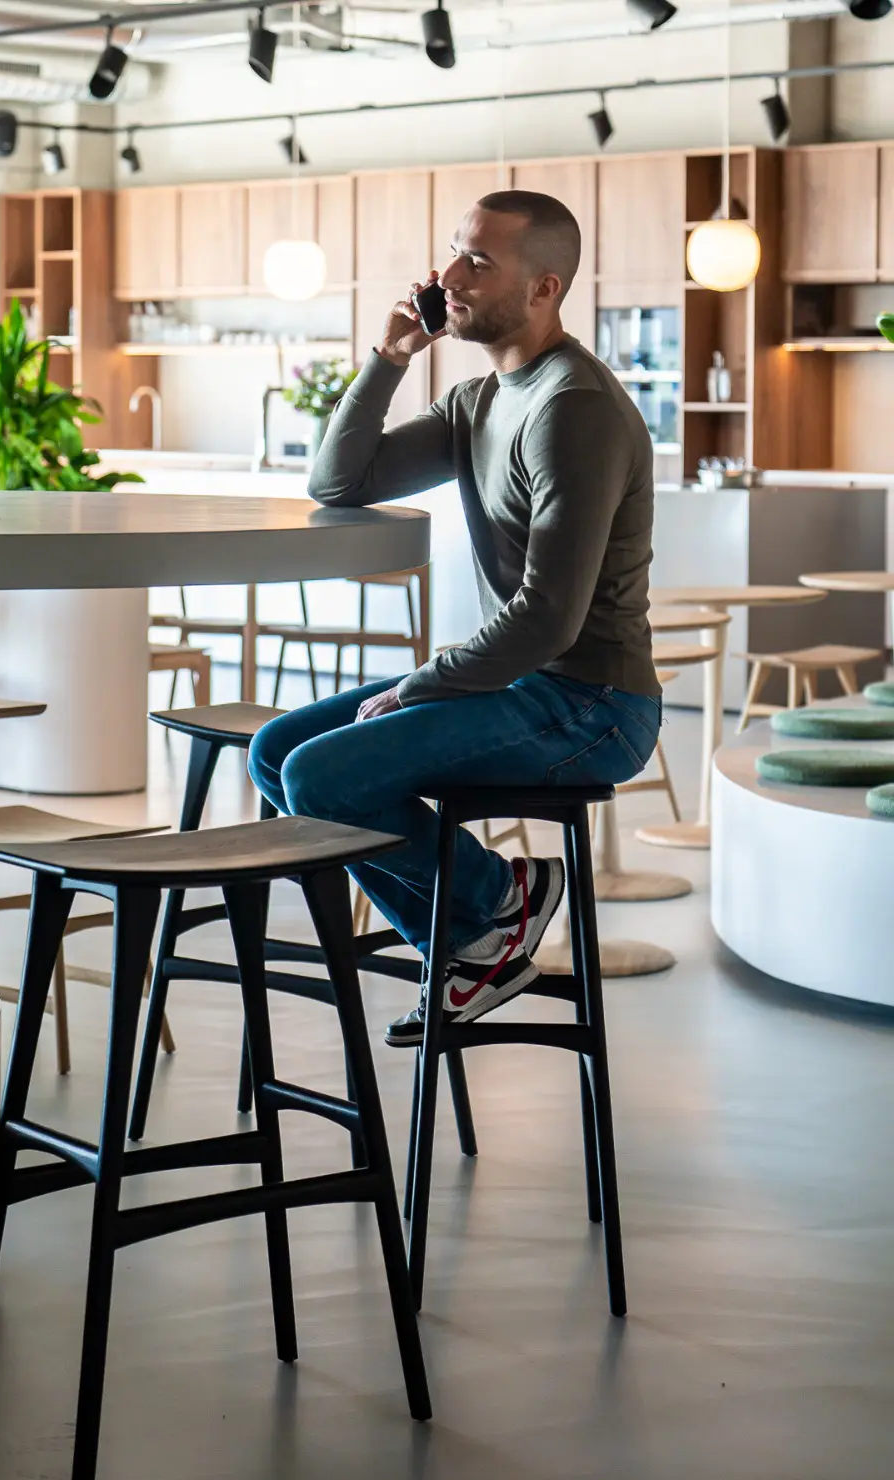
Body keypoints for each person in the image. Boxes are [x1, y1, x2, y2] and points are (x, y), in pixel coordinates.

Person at [248, 190, 663, 1045]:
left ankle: (496, 906)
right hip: (524, 688)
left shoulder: (571, 410)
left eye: (479, 262)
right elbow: (338, 482)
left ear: (545, 287)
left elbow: (548, 619)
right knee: (276, 754)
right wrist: (391, 356)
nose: (448, 276)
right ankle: (478, 939)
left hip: (591, 705)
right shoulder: (481, 401)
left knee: (323, 780)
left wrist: (416, 688)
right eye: (451, 252)